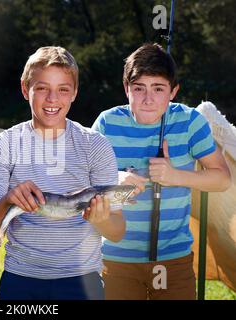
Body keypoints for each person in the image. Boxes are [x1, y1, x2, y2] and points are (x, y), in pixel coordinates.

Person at [0, 46, 125, 300]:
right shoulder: (3, 145)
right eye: (42, 88)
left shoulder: (95, 145)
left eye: (63, 89)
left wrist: (99, 218)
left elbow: (117, 231)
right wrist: (8, 200)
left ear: (74, 93)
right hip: (21, 281)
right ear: (25, 89)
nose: (52, 99)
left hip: (82, 282)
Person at [91, 43, 231, 300]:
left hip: (173, 259)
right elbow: (84, 182)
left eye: (158, 89)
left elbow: (222, 179)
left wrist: (175, 176)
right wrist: (117, 178)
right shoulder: (106, 123)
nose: (148, 99)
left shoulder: (190, 122)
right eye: (139, 88)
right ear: (126, 89)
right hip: (115, 259)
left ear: (173, 91)